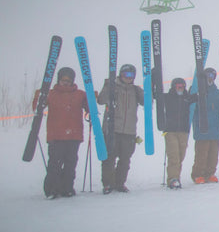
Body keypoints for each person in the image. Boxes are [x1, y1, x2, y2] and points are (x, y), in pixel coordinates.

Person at [38, 67, 88, 198]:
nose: (65, 82)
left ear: (72, 81)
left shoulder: (80, 94)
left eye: (68, 80)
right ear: (59, 80)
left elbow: (90, 107)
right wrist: (39, 96)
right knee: (54, 163)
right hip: (56, 135)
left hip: (74, 135)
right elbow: (37, 106)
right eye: (63, 80)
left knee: (71, 163)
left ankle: (67, 188)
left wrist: (91, 100)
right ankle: (51, 189)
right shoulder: (51, 94)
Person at [97, 63, 144, 193]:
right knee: (109, 158)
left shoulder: (135, 90)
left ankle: (119, 183)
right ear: (121, 74)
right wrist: (108, 85)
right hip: (112, 129)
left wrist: (150, 86)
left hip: (129, 131)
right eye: (126, 74)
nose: (128, 77)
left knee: (125, 160)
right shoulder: (113, 87)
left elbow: (146, 101)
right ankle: (108, 183)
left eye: (131, 75)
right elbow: (101, 100)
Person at [190, 67, 219, 184]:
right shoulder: (197, 92)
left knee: (213, 154)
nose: (210, 79)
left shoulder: (218, 93)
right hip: (203, 128)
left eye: (212, 76)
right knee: (202, 153)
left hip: (215, 127)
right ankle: (198, 174)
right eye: (208, 76)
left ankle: (210, 173)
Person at [162, 77, 195, 189]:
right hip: (170, 131)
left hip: (183, 131)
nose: (180, 88)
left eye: (182, 86)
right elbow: (156, 95)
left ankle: (176, 177)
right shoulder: (168, 97)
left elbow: (198, 97)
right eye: (178, 86)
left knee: (181, 155)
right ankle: (172, 178)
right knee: (174, 155)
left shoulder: (187, 97)